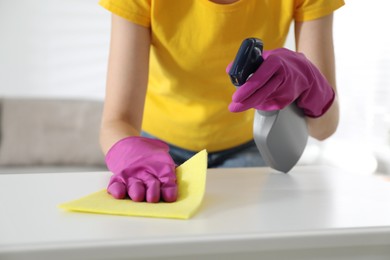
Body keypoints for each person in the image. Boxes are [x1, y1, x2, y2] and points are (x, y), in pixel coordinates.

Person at [98, 0, 344, 203]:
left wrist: (311, 84)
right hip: (155, 149)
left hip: (247, 144)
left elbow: (324, 127)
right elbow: (117, 121)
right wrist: (128, 152)